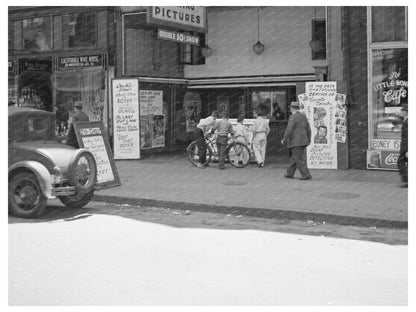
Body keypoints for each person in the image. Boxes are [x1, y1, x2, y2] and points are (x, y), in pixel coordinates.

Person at [281, 101, 312, 180]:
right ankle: (290, 173)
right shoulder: (303, 116)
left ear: (292, 108)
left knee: (298, 159)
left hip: (296, 141)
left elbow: (289, 130)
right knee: (295, 158)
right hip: (303, 141)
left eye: (290, 108)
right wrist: (309, 139)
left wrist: (284, 139)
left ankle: (306, 175)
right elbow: (308, 128)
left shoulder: (293, 117)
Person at [397, 105, 408, 188]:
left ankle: (406, 180)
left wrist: (407, 149)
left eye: (402, 110)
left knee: (400, 162)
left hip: (405, 146)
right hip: (405, 145)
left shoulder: (407, 122)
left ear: (406, 112)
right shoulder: (405, 120)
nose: (401, 111)